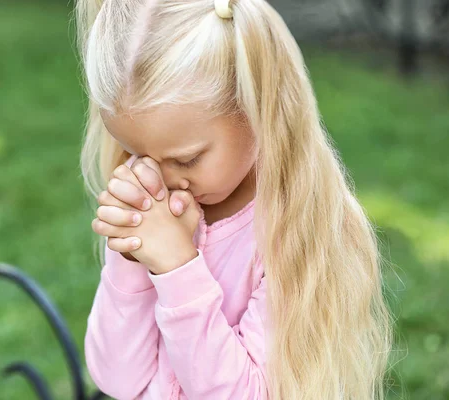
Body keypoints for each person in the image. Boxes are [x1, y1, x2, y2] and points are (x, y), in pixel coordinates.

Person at [77, 0, 394, 399]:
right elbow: (118, 380)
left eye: (187, 159)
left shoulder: (297, 230)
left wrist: (177, 270)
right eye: (137, 154)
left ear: (257, 107)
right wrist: (130, 260)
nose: (163, 180)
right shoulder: (157, 207)